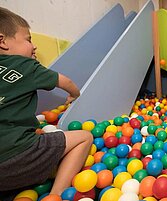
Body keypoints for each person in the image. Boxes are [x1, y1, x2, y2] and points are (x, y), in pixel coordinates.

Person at [0, 7, 93, 200]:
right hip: (16, 155)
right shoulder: (25, 65)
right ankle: (56, 194)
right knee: (84, 137)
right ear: (2, 41)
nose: (34, 46)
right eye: (28, 39)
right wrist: (74, 95)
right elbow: (65, 81)